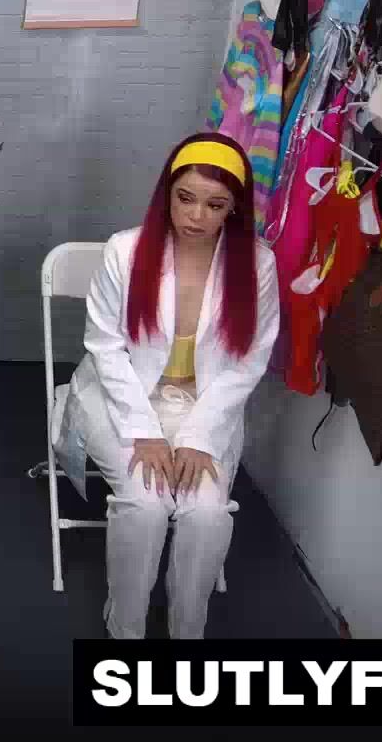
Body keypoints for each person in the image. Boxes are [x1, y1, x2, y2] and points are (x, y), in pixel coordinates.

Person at [66, 131, 279, 640]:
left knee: (206, 513)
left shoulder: (258, 265)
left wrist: (200, 436)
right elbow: (105, 348)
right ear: (168, 194)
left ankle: (188, 631)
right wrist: (144, 431)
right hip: (121, 397)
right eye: (186, 198)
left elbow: (249, 361)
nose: (196, 216)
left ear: (234, 208)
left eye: (215, 205)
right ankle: (126, 629)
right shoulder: (124, 251)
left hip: (201, 406)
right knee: (145, 503)